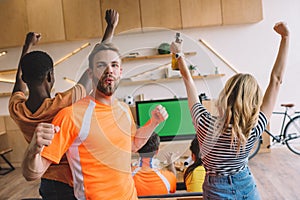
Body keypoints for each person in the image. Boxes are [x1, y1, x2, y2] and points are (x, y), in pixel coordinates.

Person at [21, 41, 169, 200]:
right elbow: (33, 173)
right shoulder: (71, 115)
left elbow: (132, 145)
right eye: (101, 65)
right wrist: (33, 150)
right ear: (90, 73)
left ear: (120, 71)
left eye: (114, 65)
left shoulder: (124, 110)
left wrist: (153, 122)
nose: (109, 70)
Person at [171, 21, 289, 199]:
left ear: (225, 94)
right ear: (254, 102)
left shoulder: (204, 123)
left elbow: (188, 80)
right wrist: (285, 38)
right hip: (246, 186)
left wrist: (178, 54)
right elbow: (276, 80)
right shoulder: (253, 129)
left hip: (216, 189)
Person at [9, 9, 119, 200]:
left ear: (25, 78)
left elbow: (18, 81)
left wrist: (26, 46)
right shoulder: (65, 103)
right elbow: (94, 65)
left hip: (47, 182)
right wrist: (110, 28)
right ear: (51, 76)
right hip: (73, 181)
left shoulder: (17, 110)